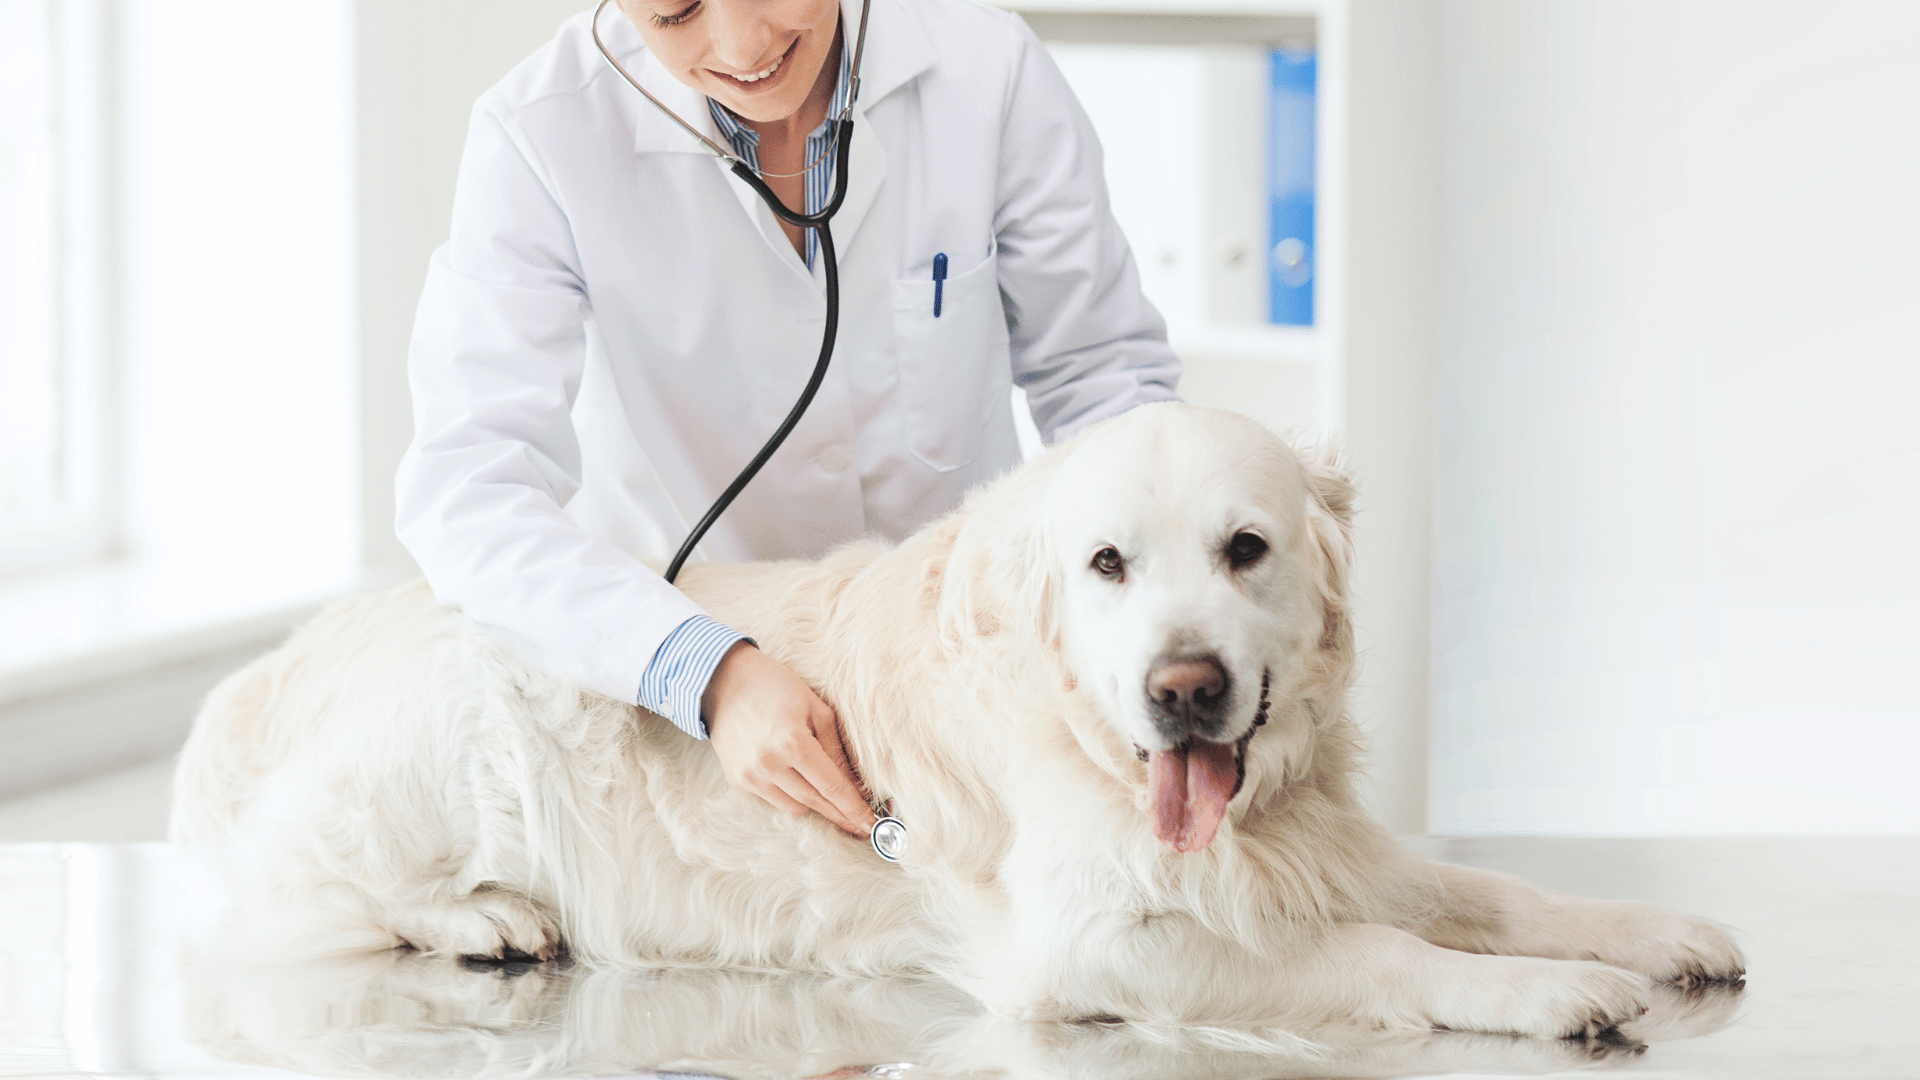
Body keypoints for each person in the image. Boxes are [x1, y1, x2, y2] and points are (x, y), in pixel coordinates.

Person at [395, 0, 1179, 843]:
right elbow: (468, 489)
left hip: (966, 679)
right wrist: (702, 669)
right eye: (675, 11)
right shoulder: (538, 136)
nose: (746, 45)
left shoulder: (987, 67)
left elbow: (1106, 384)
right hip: (687, 714)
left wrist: (1150, 628)